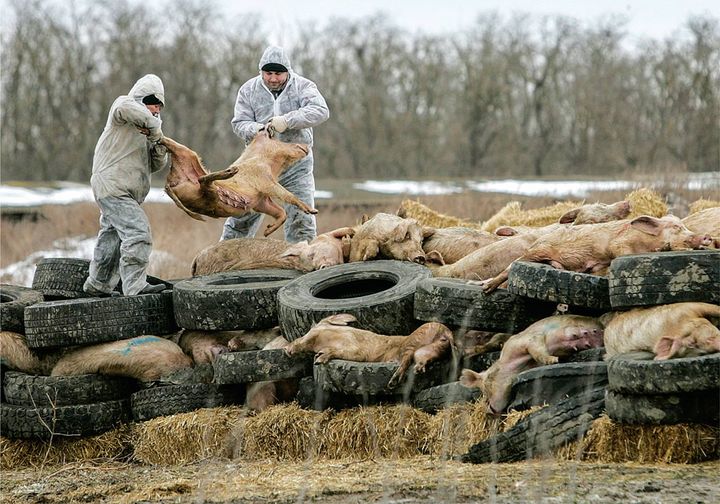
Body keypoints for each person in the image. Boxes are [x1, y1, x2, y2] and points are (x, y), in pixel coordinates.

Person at [222, 45, 330, 243]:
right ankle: (224, 260)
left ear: (287, 72)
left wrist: (287, 121)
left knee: (301, 219)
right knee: (241, 215)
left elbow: (320, 110)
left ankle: (300, 263)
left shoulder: (303, 87)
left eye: (278, 74)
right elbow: (239, 123)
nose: (272, 78)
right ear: (261, 71)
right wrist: (257, 130)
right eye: (268, 73)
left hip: (295, 165)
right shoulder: (248, 90)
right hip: (257, 165)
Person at [83, 74, 170, 297]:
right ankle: (135, 287)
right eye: (153, 104)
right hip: (113, 187)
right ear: (141, 100)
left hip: (125, 193)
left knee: (111, 239)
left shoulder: (148, 130)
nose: (156, 110)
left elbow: (156, 165)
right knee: (138, 233)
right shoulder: (122, 109)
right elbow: (131, 109)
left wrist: (157, 143)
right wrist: (154, 128)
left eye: (159, 106)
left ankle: (98, 286)